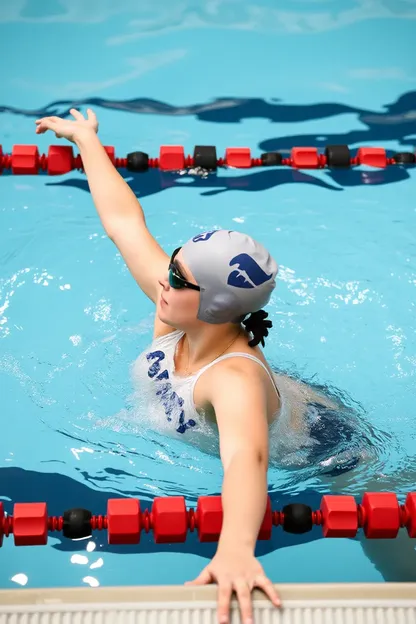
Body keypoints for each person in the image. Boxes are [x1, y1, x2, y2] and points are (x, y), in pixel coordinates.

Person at [35, 109, 368, 623]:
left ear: (213, 304)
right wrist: (86, 140)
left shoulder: (232, 381)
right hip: (292, 397)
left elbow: (247, 462)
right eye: (171, 264)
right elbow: (125, 225)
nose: (162, 279)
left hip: (331, 449)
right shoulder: (178, 308)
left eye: (178, 276)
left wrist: (235, 549)